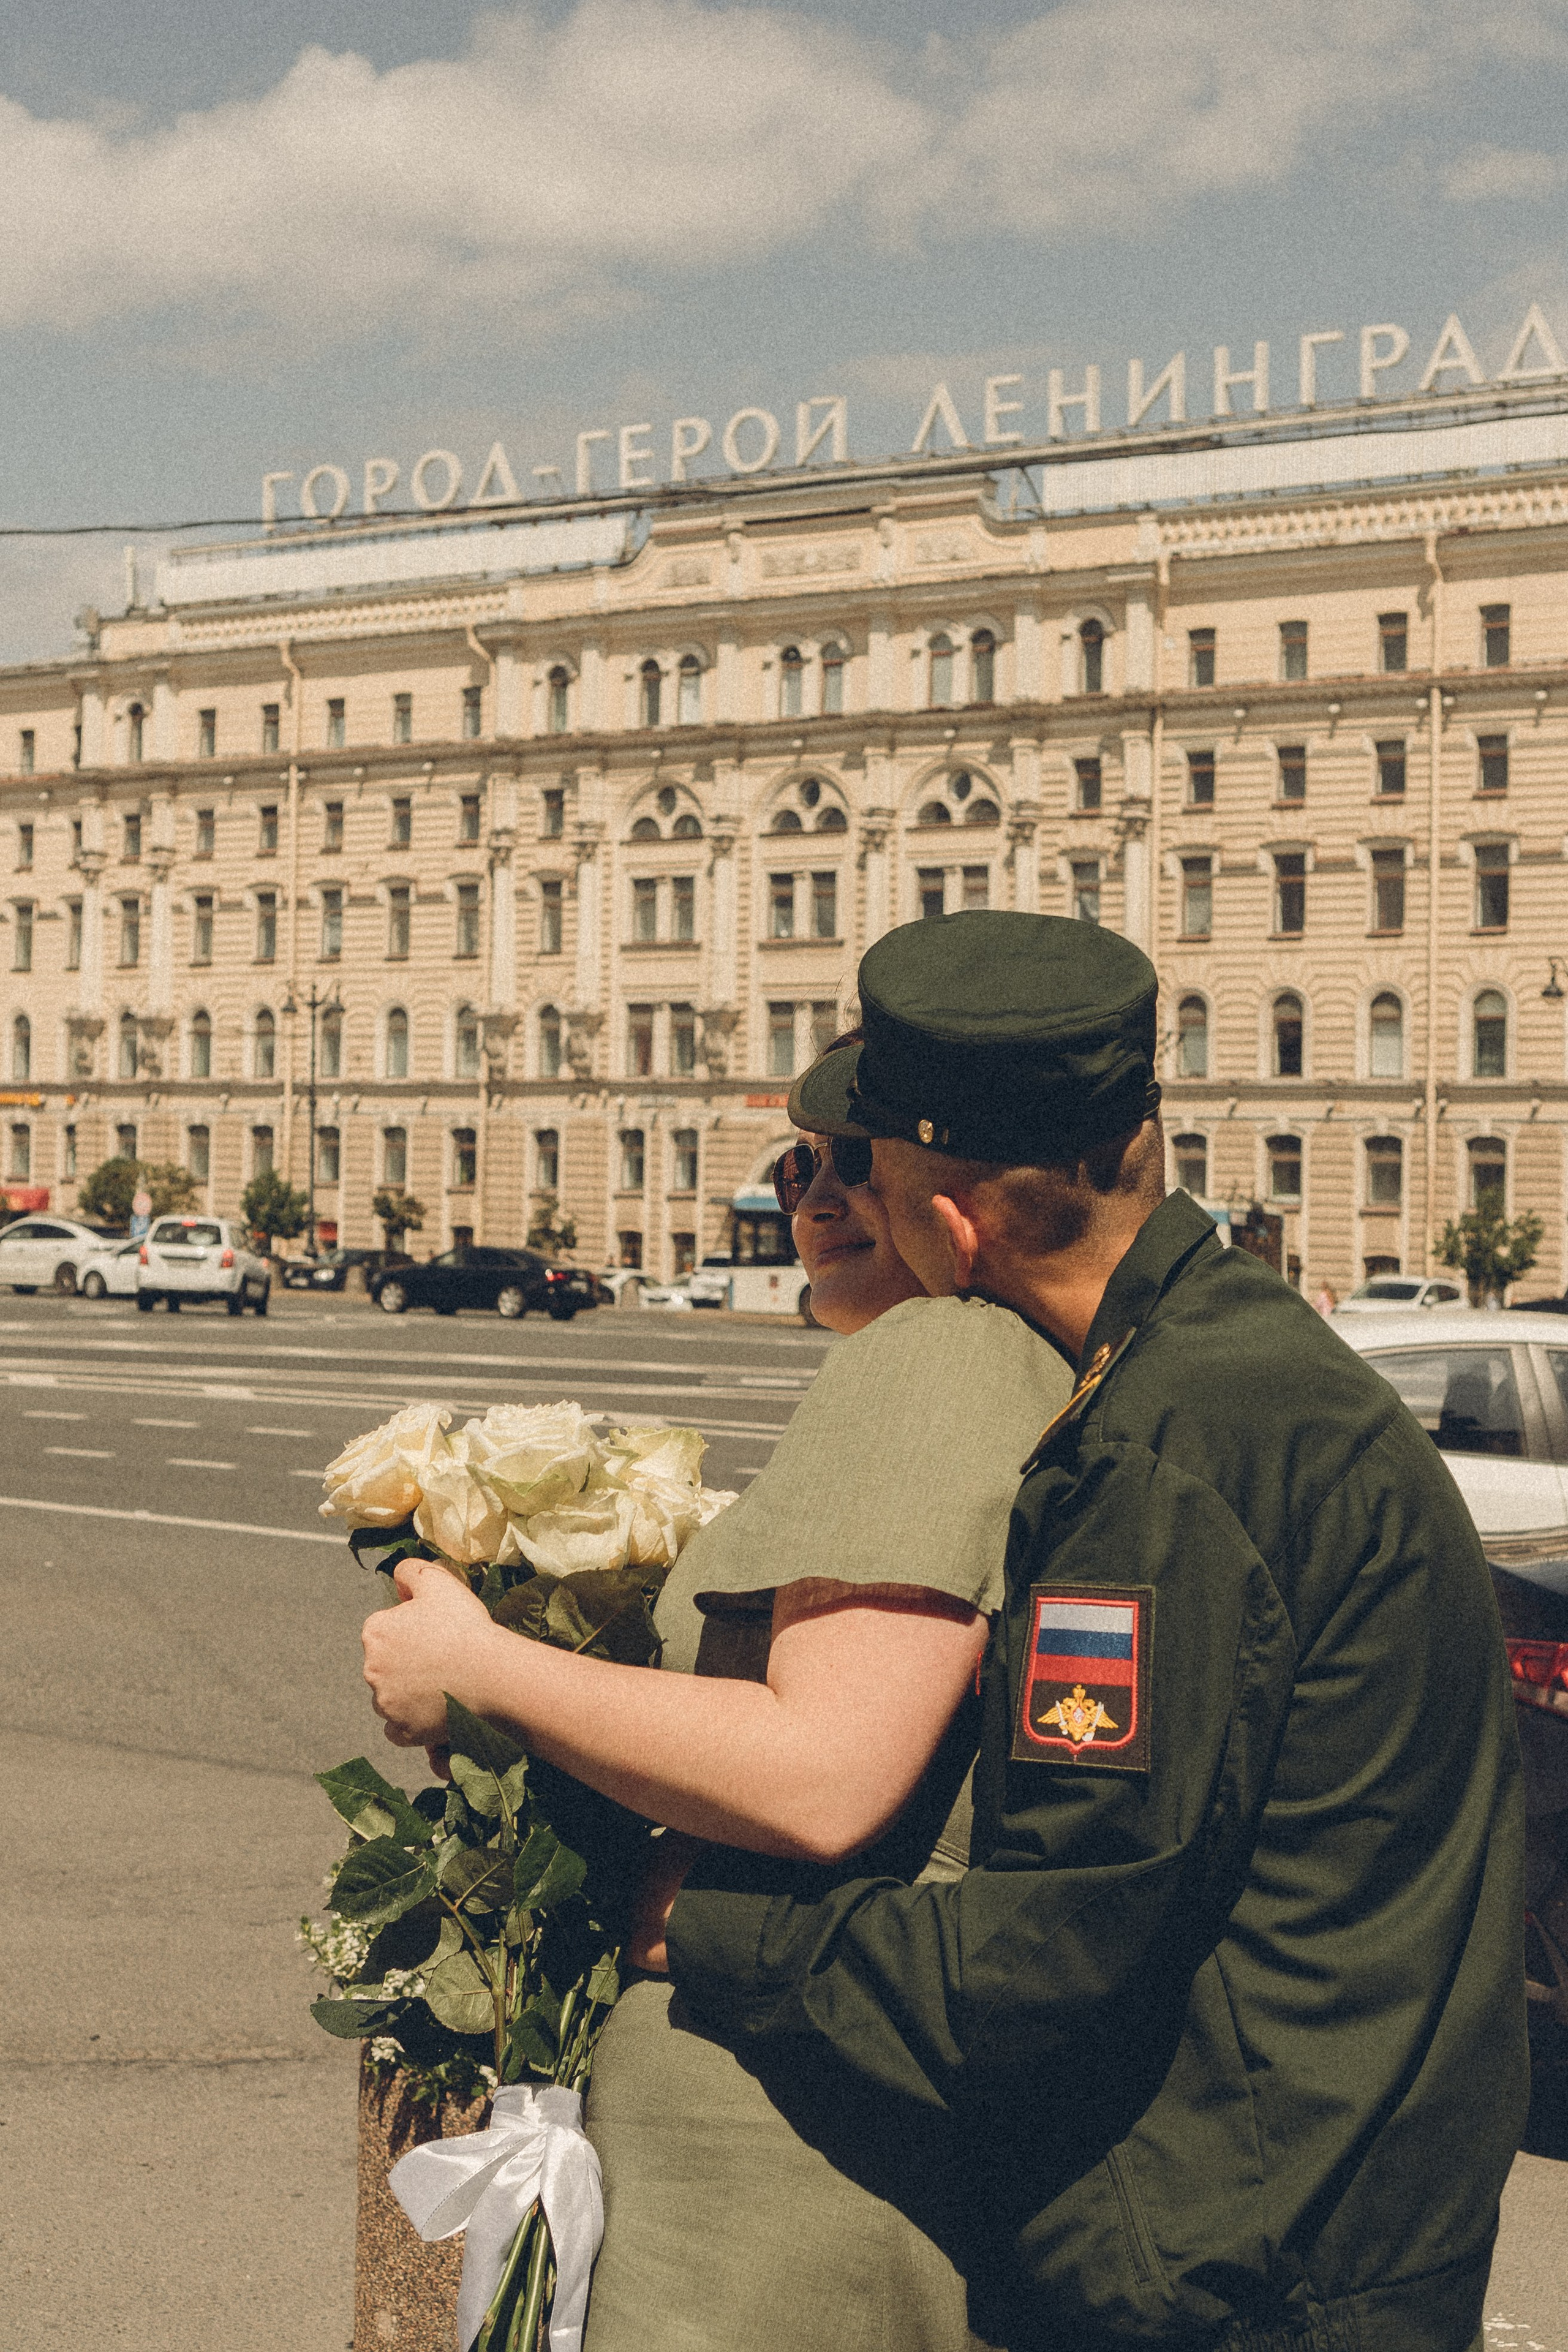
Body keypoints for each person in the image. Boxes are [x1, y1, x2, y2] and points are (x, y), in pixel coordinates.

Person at [643, 911, 1529, 2352]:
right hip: (1338, 2223)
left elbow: (1047, 1957)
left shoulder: (1153, 1462)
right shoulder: (1245, 1366)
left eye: (864, 1169)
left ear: (951, 1222)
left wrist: (716, 1932)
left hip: (1238, 2270)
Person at [362, 1060, 1072, 2351]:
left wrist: (484, 1670)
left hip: (775, 2143)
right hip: (826, 2108)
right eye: (798, 1165)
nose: (816, 1197)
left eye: (860, 1159)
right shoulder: (995, 1362)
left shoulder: (943, 1352)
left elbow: (822, 1774)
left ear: (955, 1183)